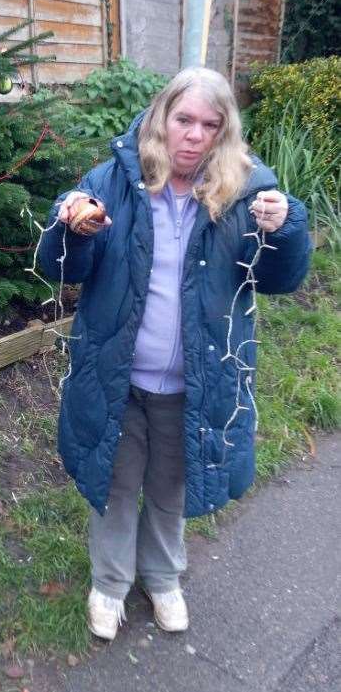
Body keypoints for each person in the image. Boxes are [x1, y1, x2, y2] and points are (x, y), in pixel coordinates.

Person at [39, 67, 310, 640]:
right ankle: (109, 584)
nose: (194, 134)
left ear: (223, 133)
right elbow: (61, 269)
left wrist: (287, 228)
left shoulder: (247, 194)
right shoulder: (113, 181)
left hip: (196, 379)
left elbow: (282, 279)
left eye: (209, 125)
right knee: (114, 482)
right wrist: (70, 228)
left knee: (170, 484)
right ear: (162, 117)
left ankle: (162, 578)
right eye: (184, 119)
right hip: (116, 372)